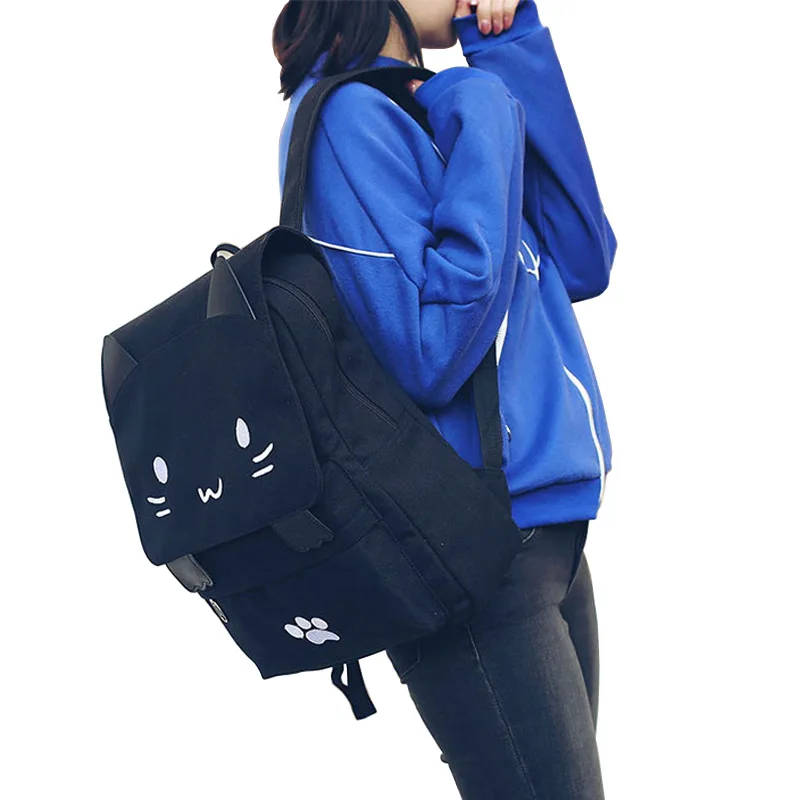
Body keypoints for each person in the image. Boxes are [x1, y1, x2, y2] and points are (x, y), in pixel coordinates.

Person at [273, 1, 616, 797]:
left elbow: (581, 254)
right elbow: (432, 354)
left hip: (545, 529)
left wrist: (511, 50)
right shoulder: (347, 118)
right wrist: (484, 106)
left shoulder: (432, 106)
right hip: (472, 548)